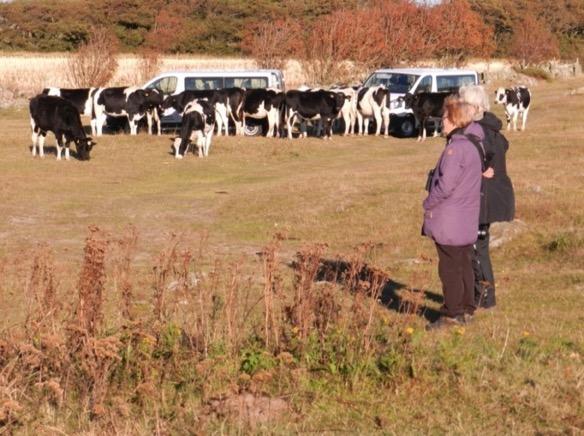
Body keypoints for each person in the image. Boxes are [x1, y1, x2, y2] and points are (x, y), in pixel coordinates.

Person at [423, 96, 483, 330]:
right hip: (465, 216)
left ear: (455, 121)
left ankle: (451, 314)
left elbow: (445, 186)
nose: (442, 122)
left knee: (449, 267)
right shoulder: (473, 143)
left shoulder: (455, 149)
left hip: (450, 218)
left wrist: (429, 202)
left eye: (446, 118)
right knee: (463, 262)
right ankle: (467, 308)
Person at [459, 85, 515, 309]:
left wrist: (478, 171)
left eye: (462, 104)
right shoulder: (492, 130)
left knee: (475, 249)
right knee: (479, 247)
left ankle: (483, 297)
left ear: (474, 108)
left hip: (483, 199)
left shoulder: (479, 134)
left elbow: (484, 158)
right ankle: (483, 297)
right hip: (488, 197)